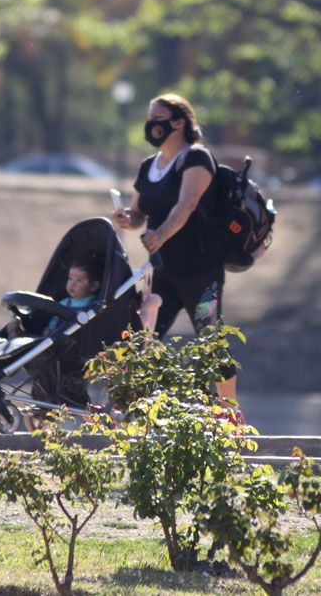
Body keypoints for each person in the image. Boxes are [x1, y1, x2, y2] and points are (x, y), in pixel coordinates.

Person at [111, 93, 242, 422]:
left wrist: (160, 235)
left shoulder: (196, 158)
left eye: (158, 116)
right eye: (149, 116)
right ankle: (129, 408)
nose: (151, 123)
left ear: (179, 122)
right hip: (162, 272)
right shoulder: (148, 166)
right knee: (140, 337)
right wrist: (129, 220)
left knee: (210, 342)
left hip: (200, 271)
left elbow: (187, 204)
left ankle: (229, 413)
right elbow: (140, 213)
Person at [45, 259, 102, 334]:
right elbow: (55, 320)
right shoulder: (64, 302)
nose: (72, 284)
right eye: (70, 278)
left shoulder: (95, 303)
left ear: (93, 286)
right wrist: (50, 329)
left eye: (79, 280)